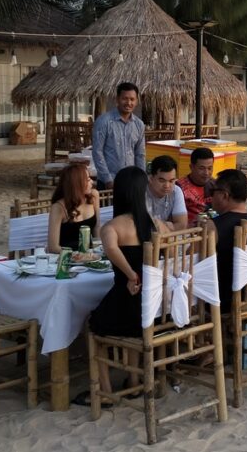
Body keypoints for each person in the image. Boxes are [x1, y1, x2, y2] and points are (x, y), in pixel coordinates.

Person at [79, 167, 163, 406]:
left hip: (128, 298)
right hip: (151, 305)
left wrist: (130, 276)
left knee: (93, 324)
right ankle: (134, 379)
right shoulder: (154, 225)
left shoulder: (112, 228)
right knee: (133, 325)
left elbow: (116, 256)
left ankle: (104, 390)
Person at [204, 169, 247, 313]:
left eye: (213, 192)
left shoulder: (213, 226)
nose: (210, 197)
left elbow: (193, 260)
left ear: (224, 195)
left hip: (220, 297)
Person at [92, 82, 146, 191]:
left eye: (132, 99)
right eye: (124, 99)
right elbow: (97, 152)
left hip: (131, 182)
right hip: (108, 182)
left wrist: (142, 178)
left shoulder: (139, 124)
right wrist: (107, 179)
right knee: (108, 209)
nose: (128, 103)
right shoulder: (104, 122)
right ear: (117, 99)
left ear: (136, 101)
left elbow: (140, 154)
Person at [47, 163, 98, 253]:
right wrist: (76, 256)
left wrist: (98, 249)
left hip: (89, 255)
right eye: (88, 179)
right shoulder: (58, 207)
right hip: (66, 256)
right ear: (77, 183)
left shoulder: (93, 195)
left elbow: (96, 227)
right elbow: (53, 247)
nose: (92, 182)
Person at [145, 155, 188, 230]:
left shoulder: (176, 191)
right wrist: (168, 226)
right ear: (151, 178)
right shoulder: (141, 191)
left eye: (171, 181)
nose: (167, 186)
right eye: (162, 180)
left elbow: (182, 225)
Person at [177, 147, 214, 225]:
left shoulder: (216, 185)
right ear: (191, 167)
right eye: (202, 168)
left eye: (210, 168)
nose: (206, 173)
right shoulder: (179, 188)